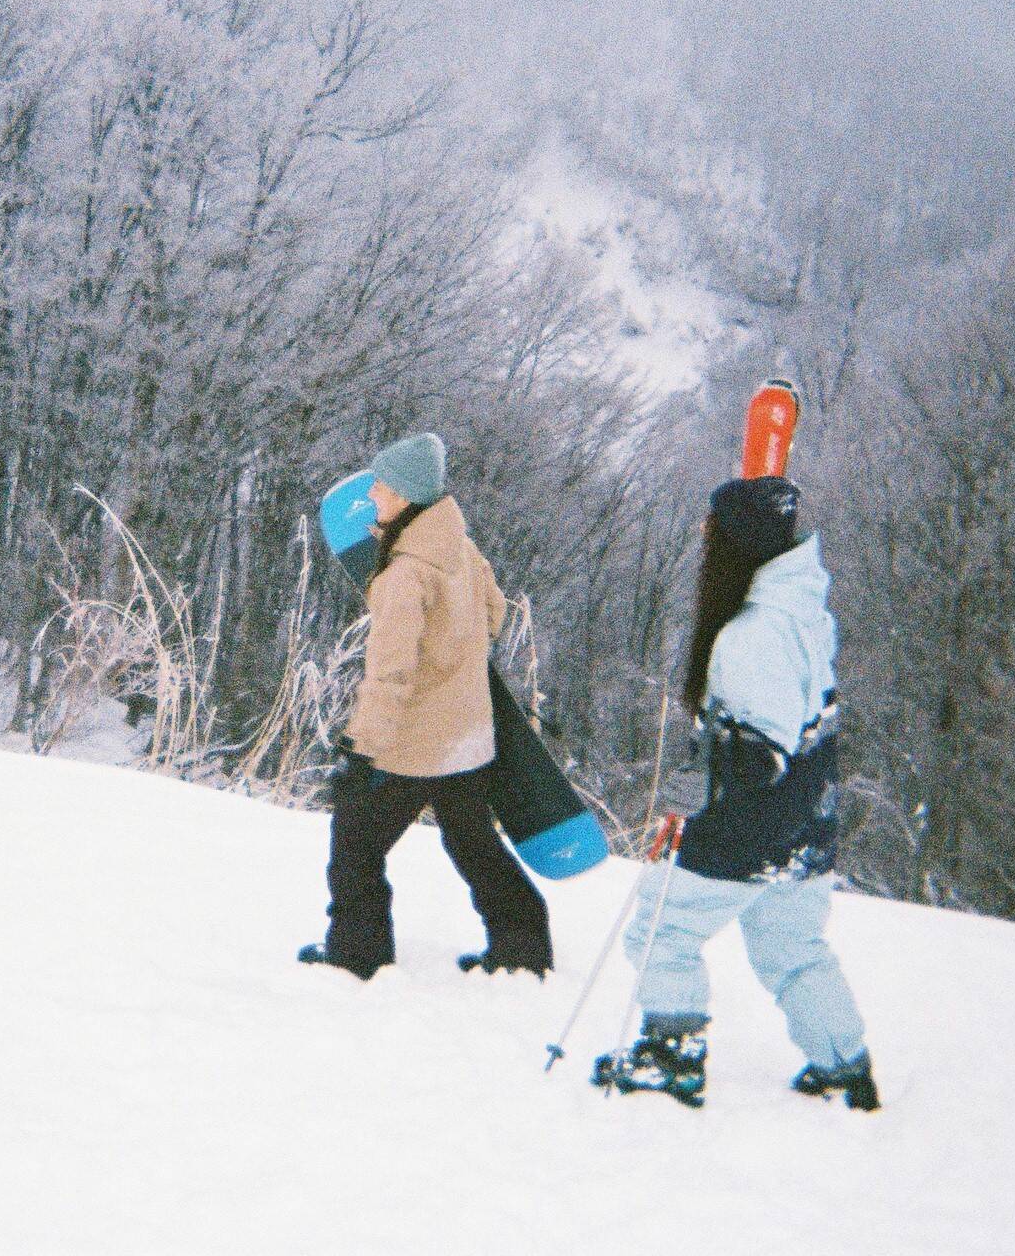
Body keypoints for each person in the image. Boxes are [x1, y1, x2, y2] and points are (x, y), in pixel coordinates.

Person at [596, 475, 878, 1110]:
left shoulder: (752, 633)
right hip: (810, 813)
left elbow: (759, 756)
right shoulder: (804, 606)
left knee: (660, 928)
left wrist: (701, 772)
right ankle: (843, 1064)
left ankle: (673, 1055)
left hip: (754, 822)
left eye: (711, 529)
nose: (702, 537)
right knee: (791, 946)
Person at [298, 432, 553, 980]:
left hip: (411, 746)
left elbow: (390, 673)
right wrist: (452, 658)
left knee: (355, 846)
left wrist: (362, 750)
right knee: (473, 842)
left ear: (409, 496)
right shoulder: (458, 547)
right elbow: (495, 614)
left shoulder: (404, 575)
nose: (373, 494)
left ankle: (357, 955)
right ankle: (524, 946)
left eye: (382, 486)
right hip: (466, 737)